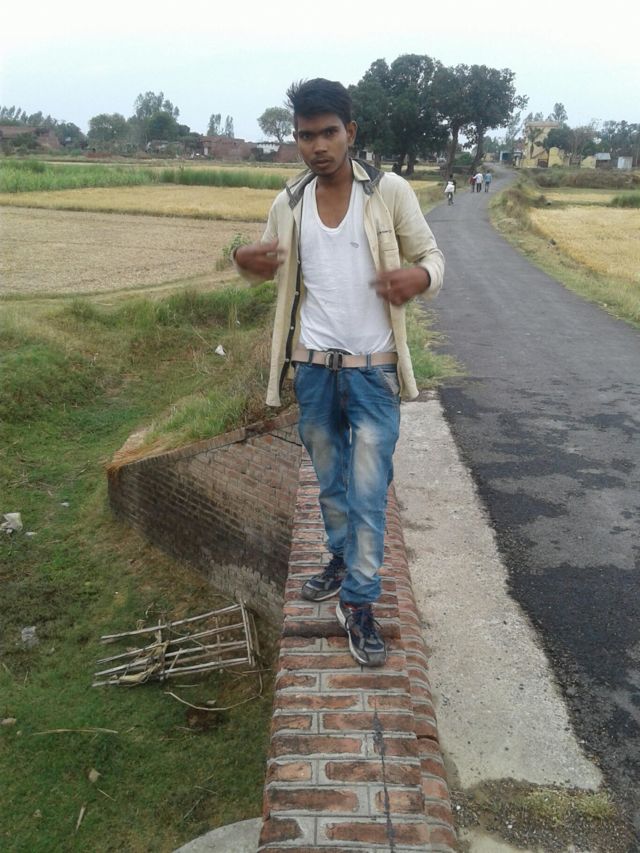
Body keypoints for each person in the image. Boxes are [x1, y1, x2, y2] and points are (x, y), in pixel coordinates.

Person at [233, 78, 444, 667]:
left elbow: (433, 258)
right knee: (330, 483)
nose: (318, 146)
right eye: (306, 136)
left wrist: (419, 278)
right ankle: (340, 555)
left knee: (369, 492)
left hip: (373, 373)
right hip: (314, 369)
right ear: (296, 138)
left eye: (329, 133)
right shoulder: (289, 202)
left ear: (350, 132)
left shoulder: (388, 192)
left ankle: (359, 600)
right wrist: (242, 261)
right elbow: (261, 262)